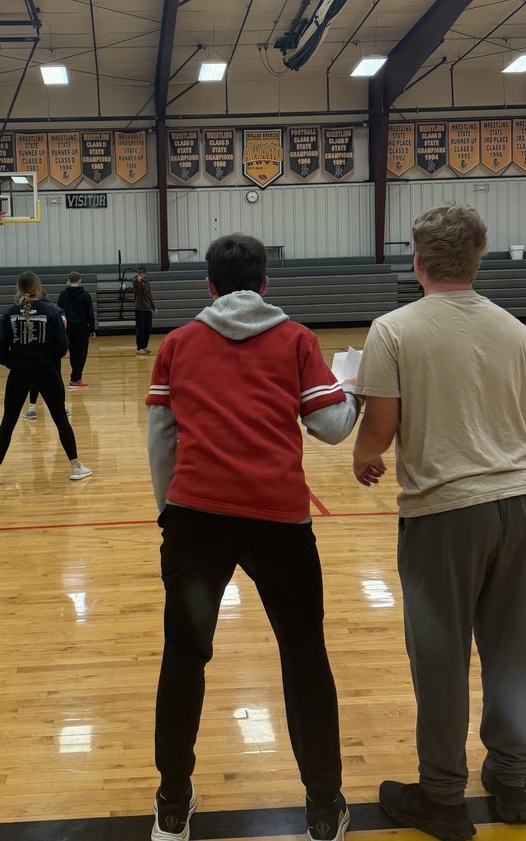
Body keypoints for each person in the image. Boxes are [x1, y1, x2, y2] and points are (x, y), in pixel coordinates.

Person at [146, 233, 359, 841]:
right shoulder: (296, 339)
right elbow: (332, 428)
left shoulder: (179, 343)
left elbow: (161, 440)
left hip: (196, 521)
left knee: (184, 660)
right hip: (280, 524)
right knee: (304, 658)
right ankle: (323, 807)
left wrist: (171, 510)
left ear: (208, 286)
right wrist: (354, 389)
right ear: (265, 284)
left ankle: (172, 803)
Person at [352, 203, 526, 841]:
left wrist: (362, 455)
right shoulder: (517, 332)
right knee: (511, 648)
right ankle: (512, 781)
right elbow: (522, 413)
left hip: (443, 513)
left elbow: (380, 427)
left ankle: (441, 797)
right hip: (518, 502)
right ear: (478, 257)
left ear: (418, 261)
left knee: (440, 658)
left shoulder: (394, 329)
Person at [0, 271, 92, 486]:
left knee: (8, 421)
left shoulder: (9, 314)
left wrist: (14, 363)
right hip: (47, 372)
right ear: (38, 288)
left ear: (18, 288)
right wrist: (46, 359)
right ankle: (76, 466)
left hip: (18, 373)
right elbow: (62, 346)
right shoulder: (51, 312)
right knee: (60, 418)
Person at [23, 289, 71, 421]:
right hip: (53, 350)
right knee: (57, 379)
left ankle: (32, 410)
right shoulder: (55, 309)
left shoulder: (30, 309)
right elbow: (64, 322)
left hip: (35, 351)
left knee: (34, 380)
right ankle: (64, 407)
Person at [58, 271, 95, 389]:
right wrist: (92, 329)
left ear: (69, 280)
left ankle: (76, 377)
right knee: (81, 353)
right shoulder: (85, 295)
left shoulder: (63, 295)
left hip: (67, 328)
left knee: (73, 353)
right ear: (79, 280)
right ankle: (75, 379)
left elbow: (59, 312)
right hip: (81, 327)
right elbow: (89, 313)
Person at [133, 264, 156, 354]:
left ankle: (145, 346)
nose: (141, 274)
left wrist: (153, 307)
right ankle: (139, 348)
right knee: (140, 329)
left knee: (148, 328)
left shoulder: (146, 282)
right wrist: (138, 280)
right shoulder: (136, 281)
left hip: (147, 308)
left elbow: (149, 295)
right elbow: (136, 283)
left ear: (145, 273)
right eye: (139, 272)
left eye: (142, 273)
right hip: (140, 309)